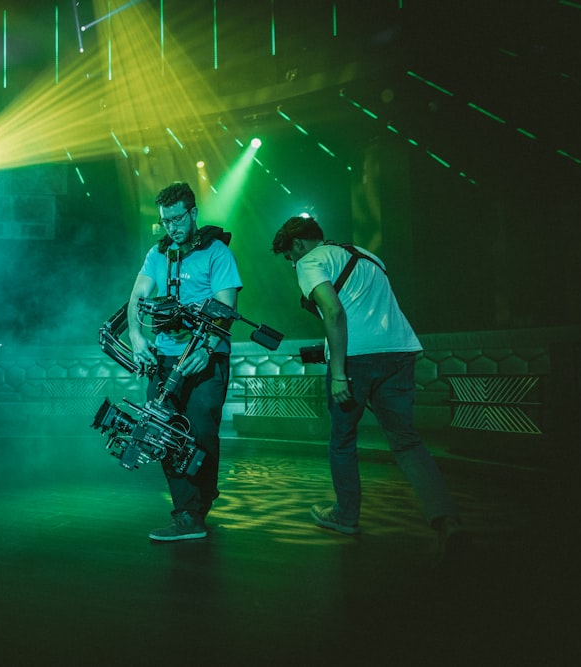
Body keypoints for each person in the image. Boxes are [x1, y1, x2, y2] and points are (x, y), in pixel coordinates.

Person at [271, 215, 460, 563]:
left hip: (356, 359)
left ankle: (346, 516)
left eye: (289, 256)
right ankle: (446, 519)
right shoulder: (367, 254)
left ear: (297, 245)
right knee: (407, 441)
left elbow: (335, 312)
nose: (292, 263)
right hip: (399, 351)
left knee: (342, 441)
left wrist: (339, 371)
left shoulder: (310, 261)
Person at [127, 182, 243, 541]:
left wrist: (207, 348)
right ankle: (187, 514)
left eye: (177, 219)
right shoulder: (156, 254)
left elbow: (226, 309)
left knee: (202, 432)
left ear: (192, 213)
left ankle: (199, 503)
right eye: (165, 221)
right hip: (165, 356)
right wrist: (135, 336)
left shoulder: (217, 252)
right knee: (162, 431)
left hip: (206, 359)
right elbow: (136, 296)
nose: (171, 228)